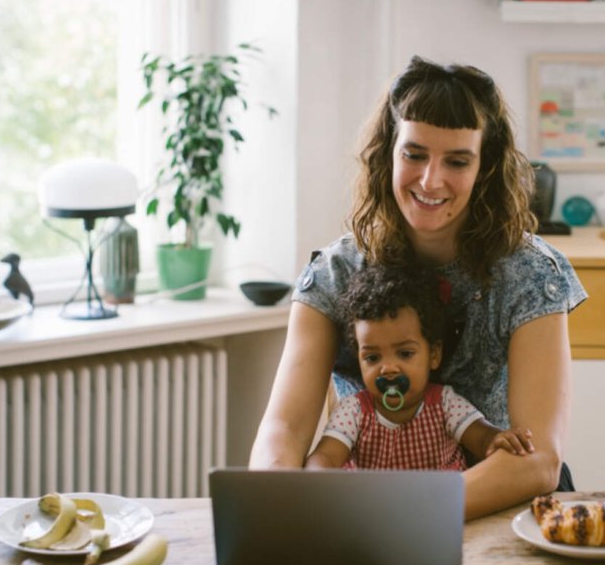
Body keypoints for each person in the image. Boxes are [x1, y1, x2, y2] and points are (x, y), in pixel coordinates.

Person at [250, 54, 587, 520]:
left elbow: (538, 462)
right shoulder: (335, 273)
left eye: (457, 160)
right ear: (388, 152)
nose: (431, 180)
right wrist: (283, 503)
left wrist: (404, 513)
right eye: (414, 154)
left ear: (484, 168)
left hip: (502, 506)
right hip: (362, 513)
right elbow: (283, 432)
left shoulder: (530, 274)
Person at [305, 263, 535, 470]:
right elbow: (325, 456)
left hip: (443, 510)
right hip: (376, 513)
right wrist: (317, 473)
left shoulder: (444, 404)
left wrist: (496, 440)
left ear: (434, 355)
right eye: (373, 358)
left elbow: (482, 436)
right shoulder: (354, 411)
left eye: (405, 353)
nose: (388, 368)